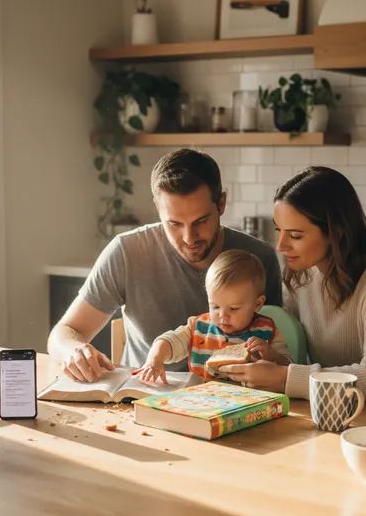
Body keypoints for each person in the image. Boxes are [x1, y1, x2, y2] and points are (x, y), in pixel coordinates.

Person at [47, 148, 283, 383]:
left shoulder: (258, 258)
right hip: (144, 397)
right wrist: (72, 350)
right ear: (158, 209)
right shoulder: (126, 252)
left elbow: (279, 345)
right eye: (174, 224)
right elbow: (65, 332)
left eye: (201, 221)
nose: (189, 238)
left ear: (221, 203)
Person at [219, 166, 366, 407]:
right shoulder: (302, 276)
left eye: (295, 236)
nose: (281, 246)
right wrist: (273, 358)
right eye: (279, 230)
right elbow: (299, 361)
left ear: (336, 233)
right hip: (332, 415)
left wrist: (286, 377)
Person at [135, 249, 292, 384]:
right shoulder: (198, 328)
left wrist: (270, 355)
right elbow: (169, 341)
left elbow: (289, 367)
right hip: (203, 401)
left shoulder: (267, 333)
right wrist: (155, 360)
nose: (223, 315)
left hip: (249, 404)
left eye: (234, 308)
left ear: (257, 304)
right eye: (215, 306)